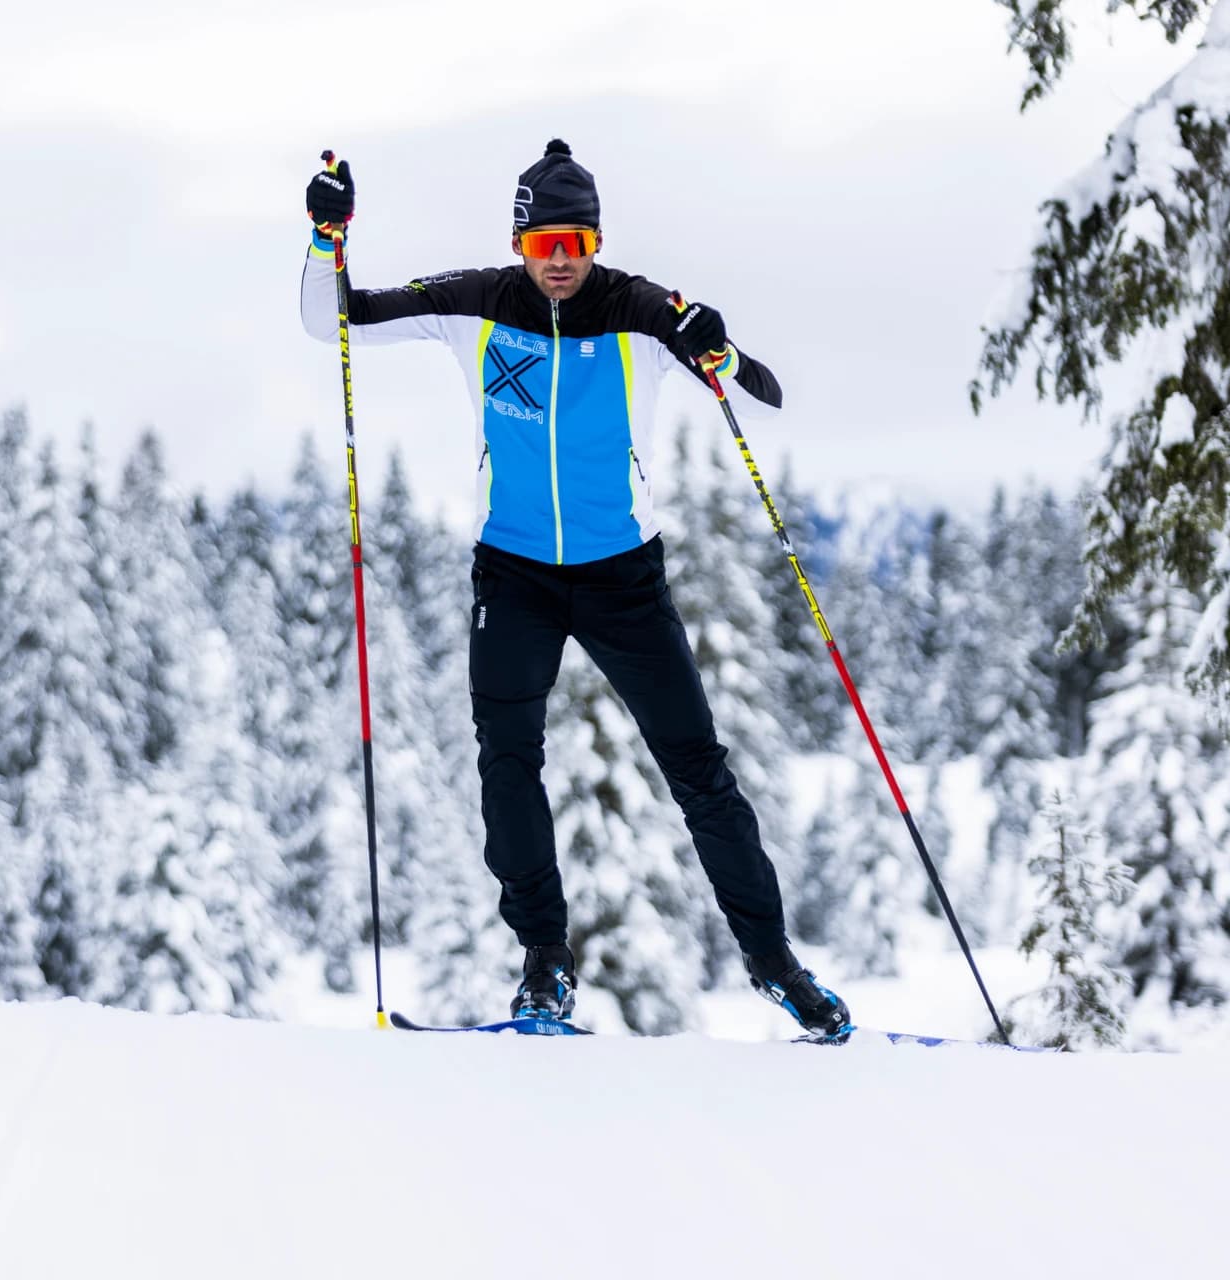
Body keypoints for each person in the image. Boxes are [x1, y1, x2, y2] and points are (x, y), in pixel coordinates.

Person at [300, 139, 850, 1039]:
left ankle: (776, 966)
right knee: (507, 760)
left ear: (596, 243)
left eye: (575, 244)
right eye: (542, 243)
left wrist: (718, 344)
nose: (559, 261)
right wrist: (329, 240)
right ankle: (544, 964)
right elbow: (336, 323)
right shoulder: (472, 303)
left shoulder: (641, 312)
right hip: (512, 571)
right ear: (520, 245)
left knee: (699, 773)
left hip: (623, 578)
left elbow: (761, 392)